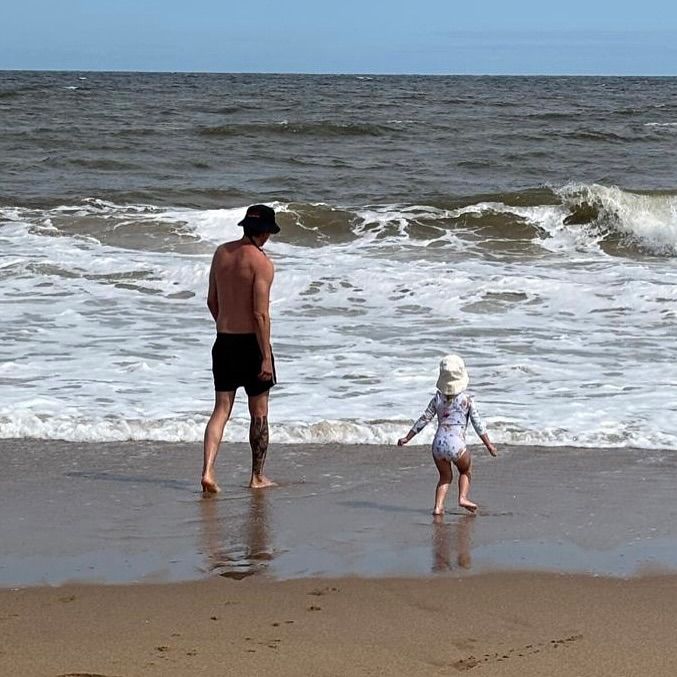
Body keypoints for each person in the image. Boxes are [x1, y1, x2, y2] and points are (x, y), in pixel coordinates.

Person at [201, 204, 280, 494]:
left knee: (221, 410)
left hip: (224, 340)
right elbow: (260, 314)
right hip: (252, 343)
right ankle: (257, 476)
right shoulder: (262, 264)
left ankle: (208, 470)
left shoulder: (221, 253)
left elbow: (212, 301)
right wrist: (266, 358)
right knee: (259, 413)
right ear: (265, 233)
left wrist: (225, 326)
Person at [398, 354, 497, 515]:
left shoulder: (436, 399)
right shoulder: (466, 400)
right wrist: (489, 445)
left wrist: (407, 438)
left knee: (444, 476)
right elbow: (478, 425)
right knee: (465, 470)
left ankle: (438, 507)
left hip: (438, 445)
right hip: (456, 444)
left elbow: (424, 419)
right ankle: (463, 498)